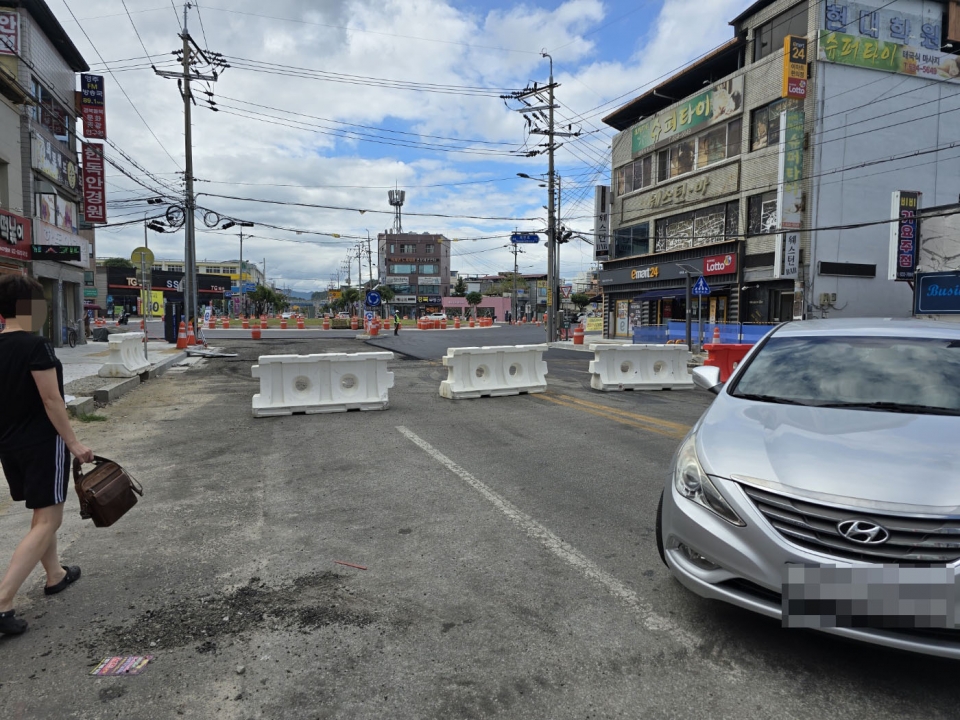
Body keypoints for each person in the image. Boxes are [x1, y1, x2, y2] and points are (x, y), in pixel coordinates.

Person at [0, 275, 94, 636]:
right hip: (41, 443)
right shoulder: (35, 346)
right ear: (29, 308)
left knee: (42, 514)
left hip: (8, 445)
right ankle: (4, 600)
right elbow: (51, 399)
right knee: (48, 520)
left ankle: (54, 574)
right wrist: (73, 443)